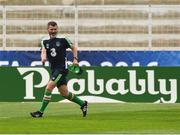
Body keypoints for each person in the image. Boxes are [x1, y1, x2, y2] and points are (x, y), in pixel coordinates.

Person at [30, 21, 88, 118]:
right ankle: (83, 104)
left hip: (62, 69)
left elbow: (74, 48)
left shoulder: (63, 39)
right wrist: (43, 58)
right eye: (51, 29)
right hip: (54, 69)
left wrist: (75, 59)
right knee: (64, 93)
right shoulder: (44, 41)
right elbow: (43, 51)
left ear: (57, 29)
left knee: (49, 87)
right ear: (48, 30)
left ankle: (40, 112)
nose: (53, 31)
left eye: (55, 29)